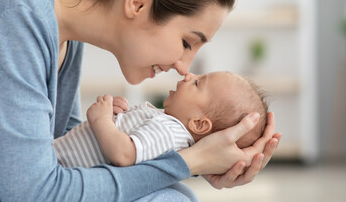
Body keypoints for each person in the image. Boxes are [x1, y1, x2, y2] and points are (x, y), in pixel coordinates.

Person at [0, 0, 281, 201]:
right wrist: (190, 162)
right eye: (187, 42)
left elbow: (69, 152)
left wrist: (200, 153)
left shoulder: (65, 36)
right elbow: (37, 193)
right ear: (139, 2)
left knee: (173, 196)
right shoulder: (16, 6)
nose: (183, 68)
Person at [54, 71, 268, 168]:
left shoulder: (170, 132)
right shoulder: (166, 122)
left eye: (197, 83)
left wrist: (101, 120)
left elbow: (123, 154)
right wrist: (117, 115)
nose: (188, 75)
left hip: (63, 166)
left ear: (198, 123)